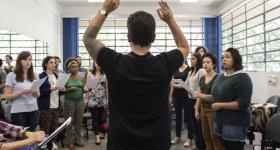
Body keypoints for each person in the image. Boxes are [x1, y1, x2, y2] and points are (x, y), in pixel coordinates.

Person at [83, 0, 189, 149]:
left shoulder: (114, 62)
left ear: (128, 37)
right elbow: (184, 46)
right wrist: (170, 21)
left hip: (121, 142)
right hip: (157, 142)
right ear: (153, 37)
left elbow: (88, 38)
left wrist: (104, 10)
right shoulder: (165, 63)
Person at [211, 48, 253, 150]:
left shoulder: (243, 78)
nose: (224, 59)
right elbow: (217, 95)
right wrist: (201, 95)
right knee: (224, 146)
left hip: (235, 122)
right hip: (220, 119)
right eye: (223, 57)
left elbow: (243, 103)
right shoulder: (221, 77)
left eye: (228, 57)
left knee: (234, 147)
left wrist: (220, 105)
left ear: (236, 59)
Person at [4, 51, 40, 132]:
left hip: (33, 109)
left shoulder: (35, 75)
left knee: (31, 135)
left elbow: (38, 94)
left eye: (30, 59)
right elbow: (7, 96)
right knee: (20, 137)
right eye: (25, 59)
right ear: (19, 61)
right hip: (19, 111)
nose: (28, 62)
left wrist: (35, 92)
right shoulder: (11, 75)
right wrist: (22, 92)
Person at [194, 52, 223, 150]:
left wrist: (201, 95)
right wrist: (196, 109)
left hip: (213, 110)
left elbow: (216, 97)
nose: (205, 64)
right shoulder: (202, 78)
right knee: (205, 136)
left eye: (208, 62)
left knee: (214, 137)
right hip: (203, 109)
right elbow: (199, 94)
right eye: (204, 62)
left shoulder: (218, 78)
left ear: (213, 64)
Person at [184, 52, 206, 149]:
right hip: (189, 99)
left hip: (197, 100)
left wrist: (194, 93)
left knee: (198, 125)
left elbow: (202, 86)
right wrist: (174, 83)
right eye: (190, 59)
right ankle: (197, 145)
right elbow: (185, 84)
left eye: (193, 59)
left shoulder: (201, 71)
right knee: (192, 123)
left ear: (198, 60)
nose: (191, 60)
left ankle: (201, 146)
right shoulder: (190, 72)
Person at [38, 56, 60, 150]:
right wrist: (51, 89)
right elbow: (39, 93)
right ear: (46, 64)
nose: (53, 64)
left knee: (53, 129)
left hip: (56, 105)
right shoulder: (41, 76)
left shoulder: (56, 76)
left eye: (54, 62)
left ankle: (50, 145)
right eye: (51, 62)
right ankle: (44, 146)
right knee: (45, 129)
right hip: (46, 106)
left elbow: (59, 90)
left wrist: (62, 89)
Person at [63, 58, 85, 150]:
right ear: (69, 68)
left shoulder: (81, 77)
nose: (75, 68)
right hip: (69, 102)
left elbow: (83, 88)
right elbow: (62, 91)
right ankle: (69, 141)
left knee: (78, 122)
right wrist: (69, 89)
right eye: (72, 67)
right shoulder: (65, 77)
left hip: (80, 101)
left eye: (76, 66)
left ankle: (77, 139)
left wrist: (87, 90)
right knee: (69, 122)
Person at [85, 63, 108, 145]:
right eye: (96, 62)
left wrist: (107, 99)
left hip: (102, 99)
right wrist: (86, 99)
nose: (98, 64)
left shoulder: (104, 74)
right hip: (92, 99)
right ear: (93, 64)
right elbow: (87, 88)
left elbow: (106, 88)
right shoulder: (90, 74)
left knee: (100, 118)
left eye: (99, 62)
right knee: (94, 118)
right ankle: (97, 136)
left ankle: (99, 131)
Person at [169, 62, 190, 144]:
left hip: (186, 96)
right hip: (176, 96)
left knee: (188, 117)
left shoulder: (189, 69)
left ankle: (190, 138)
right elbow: (172, 85)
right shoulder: (175, 69)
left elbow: (188, 85)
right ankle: (177, 136)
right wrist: (170, 97)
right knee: (178, 117)